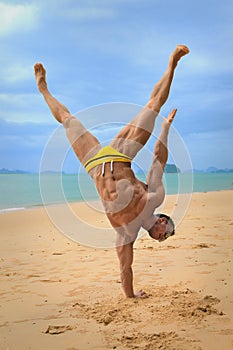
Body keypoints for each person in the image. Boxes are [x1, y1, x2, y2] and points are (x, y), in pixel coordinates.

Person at [34, 44, 190, 298]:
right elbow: (158, 162)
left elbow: (125, 267)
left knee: (67, 120)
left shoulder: (126, 233)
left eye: (166, 238)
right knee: (153, 106)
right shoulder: (154, 198)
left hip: (94, 164)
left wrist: (130, 296)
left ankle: (43, 90)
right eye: (167, 234)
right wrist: (165, 129)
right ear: (163, 220)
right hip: (120, 153)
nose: (164, 239)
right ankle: (172, 62)